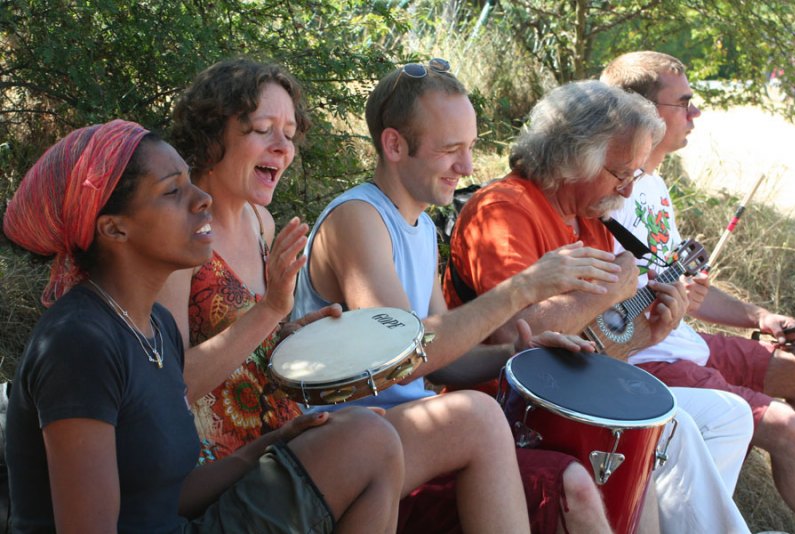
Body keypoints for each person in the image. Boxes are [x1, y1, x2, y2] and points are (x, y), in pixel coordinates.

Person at [162, 58, 533, 533]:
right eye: (263, 129)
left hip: (288, 431)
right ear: (213, 133)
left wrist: (293, 338)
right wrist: (271, 312)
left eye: (290, 133)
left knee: (458, 422)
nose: (283, 147)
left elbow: (253, 355)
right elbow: (168, 388)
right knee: (452, 421)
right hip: (224, 464)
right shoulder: (181, 236)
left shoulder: (261, 223)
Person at [1, 119, 408, 533]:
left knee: (365, 437)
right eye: (173, 191)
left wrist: (278, 442)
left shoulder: (154, 328)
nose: (202, 200)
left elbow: (165, 497)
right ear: (114, 228)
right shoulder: (79, 344)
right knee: (370, 440)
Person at [293, 59, 644, 533]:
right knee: (533, 456)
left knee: (592, 467)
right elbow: (402, 357)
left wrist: (514, 355)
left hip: (405, 434)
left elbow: (443, 361)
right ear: (394, 144)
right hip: (351, 441)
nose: (468, 166)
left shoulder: (416, 226)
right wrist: (523, 287)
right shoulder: (358, 219)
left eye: (472, 147)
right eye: (450, 150)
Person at [443, 80, 753, 533]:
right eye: (619, 174)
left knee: (715, 417)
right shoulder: (505, 211)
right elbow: (515, 339)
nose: (627, 193)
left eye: (634, 177)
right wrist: (607, 291)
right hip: (507, 408)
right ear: (572, 156)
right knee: (675, 429)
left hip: (564, 399)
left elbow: (587, 347)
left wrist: (649, 333)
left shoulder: (589, 220)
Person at [601, 50, 795, 515]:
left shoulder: (654, 187)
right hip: (650, 358)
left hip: (686, 341)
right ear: (645, 112)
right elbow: (610, 312)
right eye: (685, 102)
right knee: (786, 426)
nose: (697, 113)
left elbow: (685, 290)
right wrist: (665, 299)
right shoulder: (608, 193)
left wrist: (760, 317)